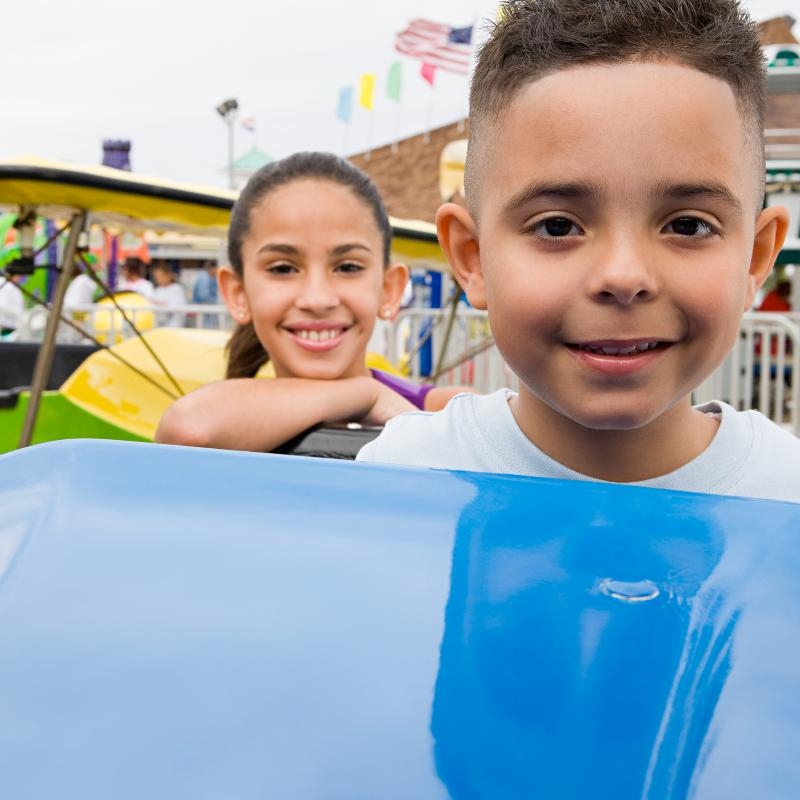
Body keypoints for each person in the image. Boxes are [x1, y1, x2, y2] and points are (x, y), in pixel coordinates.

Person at [358, 0, 800, 503]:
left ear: (756, 258)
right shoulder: (401, 477)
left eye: (688, 225)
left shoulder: (789, 496)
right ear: (472, 258)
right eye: (556, 226)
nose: (624, 275)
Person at [156, 152, 468, 452]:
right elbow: (188, 429)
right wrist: (365, 393)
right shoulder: (219, 418)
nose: (317, 299)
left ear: (390, 289)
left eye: (348, 267)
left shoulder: (445, 411)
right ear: (238, 294)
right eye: (282, 269)